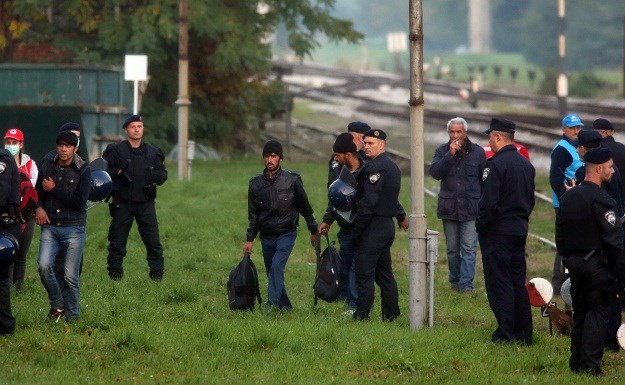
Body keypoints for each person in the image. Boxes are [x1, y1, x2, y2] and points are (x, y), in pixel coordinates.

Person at [556, 147, 625, 376]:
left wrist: (568, 258)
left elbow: (560, 235)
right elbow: (614, 241)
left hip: (575, 263)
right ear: (598, 169)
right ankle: (592, 366)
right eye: (609, 167)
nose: (612, 171)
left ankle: (576, 363)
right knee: (598, 313)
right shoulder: (603, 200)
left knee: (581, 313)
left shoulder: (568, 197)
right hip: (597, 265)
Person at [477, 117, 535, 345]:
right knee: (517, 282)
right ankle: (524, 333)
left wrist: (481, 225)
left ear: (499, 137)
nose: (489, 141)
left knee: (499, 282)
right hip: (518, 230)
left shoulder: (495, 165)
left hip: (497, 233)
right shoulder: (525, 165)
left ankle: (506, 332)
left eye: (490, 136)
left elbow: (488, 204)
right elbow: (530, 201)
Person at [244, 140, 318, 311]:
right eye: (267, 156)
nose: (270, 160)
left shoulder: (292, 181)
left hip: (287, 233)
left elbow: (305, 207)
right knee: (273, 271)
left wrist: (313, 230)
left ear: (280, 159)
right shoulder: (255, 184)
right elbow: (253, 215)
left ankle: (271, 305)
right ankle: (286, 307)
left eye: (274, 156)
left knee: (277, 266)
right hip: (266, 235)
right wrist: (249, 239)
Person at [571, 129, 625, 353]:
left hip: (599, 243)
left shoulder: (593, 173)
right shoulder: (613, 170)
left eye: (579, 146)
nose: (577, 149)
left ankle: (603, 342)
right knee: (611, 292)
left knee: (598, 300)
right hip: (613, 233)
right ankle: (609, 338)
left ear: (584, 149)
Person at [103, 114, 168, 281]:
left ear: (143, 129)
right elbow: (102, 172)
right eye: (133, 127)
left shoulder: (153, 152)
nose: (137, 129)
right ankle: (115, 277)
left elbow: (163, 175)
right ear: (126, 130)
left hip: (146, 203)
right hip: (122, 203)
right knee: (117, 243)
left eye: (139, 126)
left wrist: (153, 175)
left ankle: (157, 276)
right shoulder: (116, 151)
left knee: (153, 242)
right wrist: (118, 173)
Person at [35, 130, 90, 322]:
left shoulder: (83, 169)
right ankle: (57, 304)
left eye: (68, 146)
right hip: (50, 225)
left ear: (75, 148)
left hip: (74, 228)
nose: (63, 149)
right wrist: (39, 208)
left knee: (70, 276)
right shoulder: (47, 166)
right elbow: (37, 194)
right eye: (60, 145)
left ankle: (73, 318)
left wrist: (55, 189)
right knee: (43, 266)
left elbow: (79, 202)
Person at [351, 129, 404, 321]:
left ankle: (362, 315)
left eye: (371, 143)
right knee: (384, 275)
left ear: (382, 145)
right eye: (365, 143)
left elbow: (368, 203)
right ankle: (390, 315)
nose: (366, 146)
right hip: (386, 226)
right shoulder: (392, 166)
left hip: (373, 227)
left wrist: (357, 229)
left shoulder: (376, 168)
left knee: (364, 274)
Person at [430, 117, 486, 293]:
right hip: (449, 208)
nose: (455, 135)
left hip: (471, 208)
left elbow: (483, 180)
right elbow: (435, 173)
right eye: (452, 132)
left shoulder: (478, 152)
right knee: (452, 250)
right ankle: (454, 282)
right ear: (448, 133)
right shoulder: (441, 151)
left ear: (465, 132)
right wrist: (449, 156)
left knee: (469, 248)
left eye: (459, 132)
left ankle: (466, 286)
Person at [550, 113, 584, 294]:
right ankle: (558, 282)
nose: (576, 131)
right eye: (572, 128)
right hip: (565, 203)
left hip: (575, 202)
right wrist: (566, 198)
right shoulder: (562, 150)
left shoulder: (576, 147)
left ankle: (569, 280)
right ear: (564, 129)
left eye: (578, 127)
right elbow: (555, 178)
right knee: (565, 243)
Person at [4, 128, 38, 292]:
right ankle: (7, 289)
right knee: (7, 251)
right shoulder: (2, 163)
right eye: (8, 142)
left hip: (27, 214)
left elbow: (33, 188)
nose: (11, 146)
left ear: (21, 144)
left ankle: (19, 290)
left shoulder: (30, 165)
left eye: (14, 143)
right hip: (8, 215)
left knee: (21, 254)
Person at [0, 146, 22, 334]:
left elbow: (1, 193)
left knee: (1, 278)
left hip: (4, 225)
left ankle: (5, 326)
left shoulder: (2, 159)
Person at [593, 118, 625, 185]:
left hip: (607, 188)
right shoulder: (622, 147)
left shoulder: (598, 149)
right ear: (612, 132)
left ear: (605, 132)